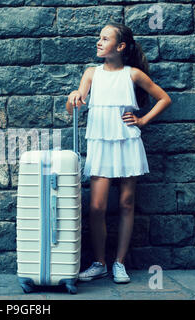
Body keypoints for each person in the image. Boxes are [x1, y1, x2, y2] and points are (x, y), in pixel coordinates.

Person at [66, 23, 172, 284]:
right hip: (100, 143)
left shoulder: (133, 74)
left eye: (105, 39)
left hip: (126, 142)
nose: (98, 42)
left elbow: (164, 98)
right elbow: (74, 108)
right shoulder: (91, 73)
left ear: (121, 46)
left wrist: (143, 120)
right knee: (97, 207)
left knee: (126, 204)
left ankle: (119, 263)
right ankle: (99, 263)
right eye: (99, 38)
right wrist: (73, 98)